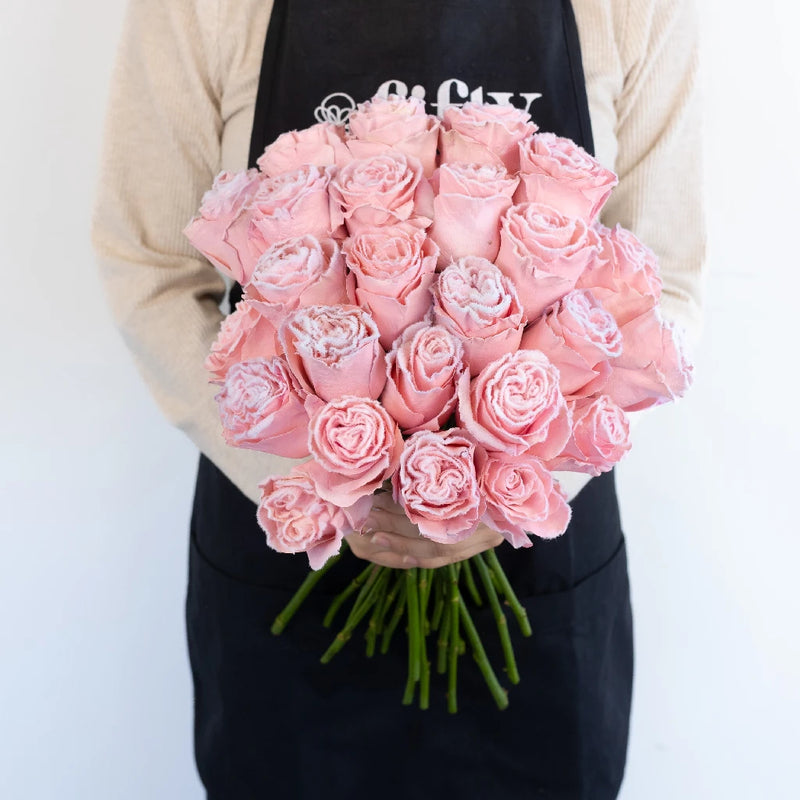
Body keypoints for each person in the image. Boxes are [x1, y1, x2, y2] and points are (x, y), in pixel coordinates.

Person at [92, 0, 705, 797]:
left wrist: (508, 484)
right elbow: (149, 266)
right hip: (286, 558)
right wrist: (331, 477)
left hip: (533, 578)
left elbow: (665, 292)